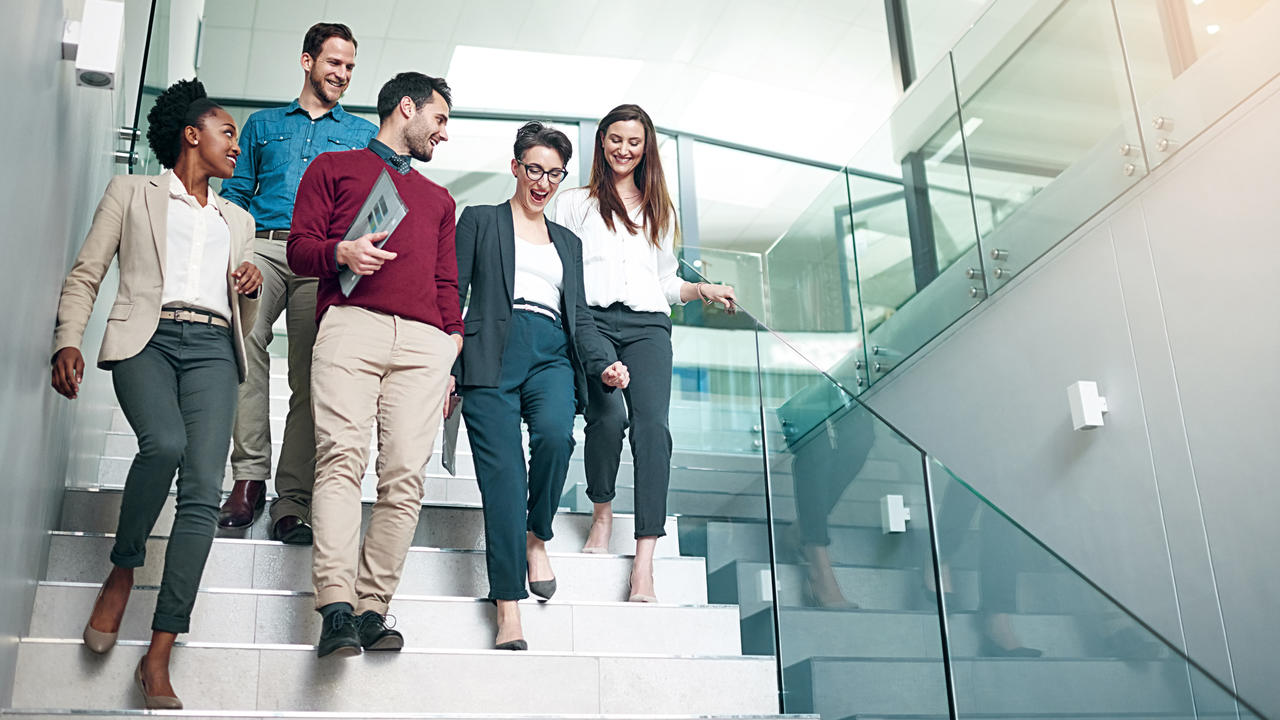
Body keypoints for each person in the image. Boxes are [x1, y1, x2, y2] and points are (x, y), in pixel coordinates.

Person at [50, 79, 262, 708]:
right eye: (228, 133)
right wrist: (68, 339)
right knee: (164, 443)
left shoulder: (239, 219)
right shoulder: (131, 192)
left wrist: (247, 289)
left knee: (202, 490)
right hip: (147, 337)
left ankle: (160, 650)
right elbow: (88, 271)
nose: (235, 146)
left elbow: (242, 312)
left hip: (213, 348)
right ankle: (124, 564)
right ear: (192, 134)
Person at [287, 71, 461, 658]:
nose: (443, 133)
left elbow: (445, 283)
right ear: (405, 108)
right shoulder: (332, 169)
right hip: (350, 326)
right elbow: (298, 248)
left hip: (425, 346)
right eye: (438, 119)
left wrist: (452, 346)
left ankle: (371, 610)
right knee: (340, 460)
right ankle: (335, 606)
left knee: (406, 479)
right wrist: (340, 251)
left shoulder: (440, 199)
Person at [454, 122, 630, 650]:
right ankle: (508, 605)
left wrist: (605, 364)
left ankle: (538, 536)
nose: (544, 182)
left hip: (550, 351)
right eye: (535, 169)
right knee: (504, 479)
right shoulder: (480, 221)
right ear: (515, 168)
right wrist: (445, 364)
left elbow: (579, 317)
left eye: (555, 174)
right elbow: (452, 294)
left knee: (556, 436)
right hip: (491, 352)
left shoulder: (567, 243)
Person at [554, 104, 736, 602]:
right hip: (592, 323)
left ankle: (645, 561)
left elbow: (663, 282)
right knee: (608, 418)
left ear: (645, 148)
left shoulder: (660, 211)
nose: (623, 149)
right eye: (615, 139)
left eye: (633, 141)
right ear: (602, 142)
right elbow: (556, 270)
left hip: (648, 327)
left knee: (653, 429)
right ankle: (602, 512)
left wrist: (705, 290)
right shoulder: (574, 205)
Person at [216, 22, 378, 544]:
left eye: (350, 67)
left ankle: (292, 500)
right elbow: (238, 194)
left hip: (322, 256)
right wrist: (234, 251)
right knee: (246, 345)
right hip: (264, 246)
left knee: (313, 377)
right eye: (335, 63)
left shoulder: (359, 136)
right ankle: (248, 478)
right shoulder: (262, 125)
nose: (343, 74)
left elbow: (365, 208)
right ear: (307, 61)